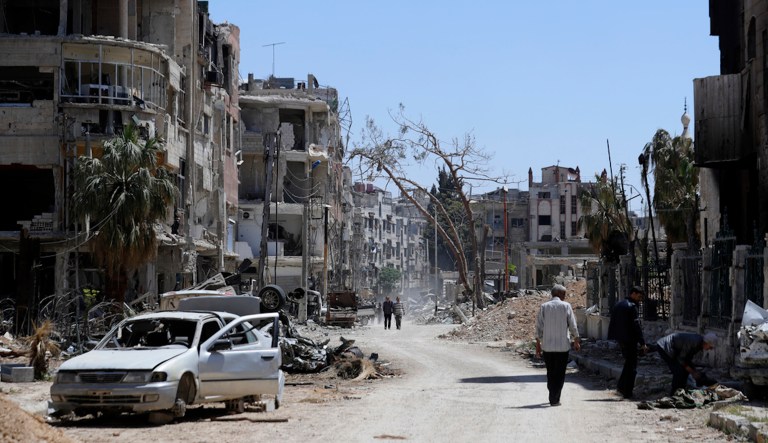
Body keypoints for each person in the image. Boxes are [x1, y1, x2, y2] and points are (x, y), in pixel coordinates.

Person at [535, 284, 581, 407]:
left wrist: (538, 344)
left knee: (550, 372)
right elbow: (573, 325)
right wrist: (576, 340)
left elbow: (539, 327)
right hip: (562, 347)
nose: (565, 296)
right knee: (560, 373)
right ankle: (555, 398)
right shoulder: (566, 306)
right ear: (559, 294)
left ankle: (552, 395)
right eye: (564, 294)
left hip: (547, 347)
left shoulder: (544, 307)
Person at [607, 285, 649, 399]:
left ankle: (621, 387)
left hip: (621, 339)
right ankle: (627, 392)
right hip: (630, 340)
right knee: (632, 367)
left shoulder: (619, 304)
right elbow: (636, 326)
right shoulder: (632, 306)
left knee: (628, 364)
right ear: (633, 294)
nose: (640, 300)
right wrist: (642, 343)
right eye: (639, 297)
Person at [652, 332, 718, 395]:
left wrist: (693, 370)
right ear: (706, 342)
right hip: (665, 347)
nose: (710, 349)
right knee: (678, 371)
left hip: (675, 350)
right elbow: (681, 359)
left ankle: (682, 389)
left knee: (686, 370)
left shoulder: (699, 344)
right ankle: (674, 393)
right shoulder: (694, 342)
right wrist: (693, 372)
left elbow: (688, 359)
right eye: (710, 347)